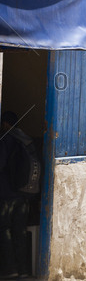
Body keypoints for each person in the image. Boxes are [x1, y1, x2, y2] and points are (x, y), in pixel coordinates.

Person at [0, 111, 32, 279]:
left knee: (4, 230)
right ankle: (24, 270)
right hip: (24, 194)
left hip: (6, 194)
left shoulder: (5, 140)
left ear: (5, 124)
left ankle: (10, 269)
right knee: (20, 231)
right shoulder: (25, 140)